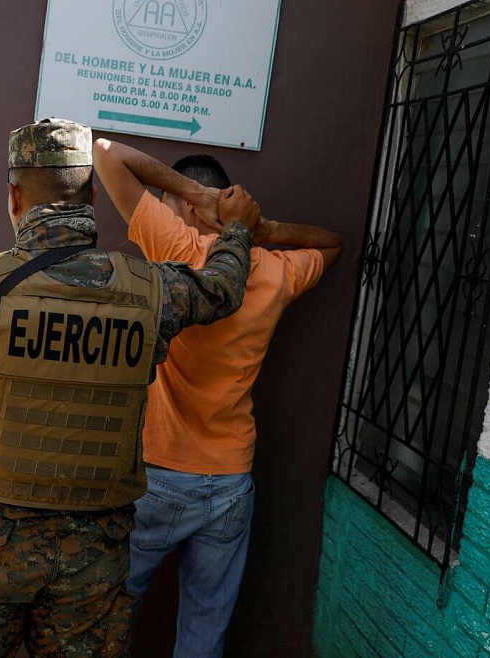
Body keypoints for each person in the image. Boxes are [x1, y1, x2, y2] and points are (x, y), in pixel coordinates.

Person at [0, 118, 258, 657]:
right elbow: (223, 289)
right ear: (92, 198)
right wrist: (238, 229)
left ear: (15, 198)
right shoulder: (151, 290)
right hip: (93, 565)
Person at [93, 142, 343, 657]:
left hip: (159, 476)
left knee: (105, 617)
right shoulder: (273, 270)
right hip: (229, 481)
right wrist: (263, 231)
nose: (164, 211)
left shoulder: (177, 246)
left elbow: (104, 154)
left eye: (169, 204)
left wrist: (195, 195)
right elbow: (332, 244)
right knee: (205, 629)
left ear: (189, 207)